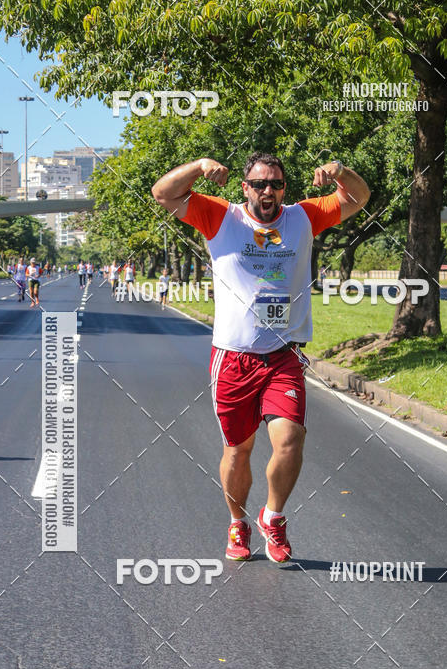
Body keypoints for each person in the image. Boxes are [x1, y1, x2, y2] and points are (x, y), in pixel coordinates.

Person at [152, 152, 370, 563]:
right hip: (233, 358)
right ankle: (237, 521)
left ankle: (273, 515)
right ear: (244, 187)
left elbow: (359, 198)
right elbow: (163, 193)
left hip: (283, 355)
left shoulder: (303, 217)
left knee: (290, 439)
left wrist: (340, 171)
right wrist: (199, 166)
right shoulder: (221, 217)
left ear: (284, 189)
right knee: (238, 450)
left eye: (276, 184)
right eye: (260, 184)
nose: (268, 191)